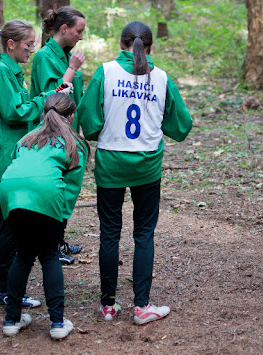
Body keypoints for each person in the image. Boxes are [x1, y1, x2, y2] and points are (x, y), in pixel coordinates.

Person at [78, 21, 193, 325]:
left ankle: (107, 305)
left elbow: (87, 117)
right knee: (143, 234)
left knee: (109, 233)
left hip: (111, 163)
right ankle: (141, 306)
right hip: (147, 165)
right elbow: (182, 125)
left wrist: (100, 132)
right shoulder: (162, 78)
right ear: (151, 47)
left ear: (121, 44)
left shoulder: (105, 72)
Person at [0, 19, 69, 308]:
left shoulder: (10, 71)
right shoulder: (2, 72)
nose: (31, 50)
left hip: (10, 156)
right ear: (11, 44)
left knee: (0, 223)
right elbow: (15, 112)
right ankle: (6, 289)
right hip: (6, 157)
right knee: (7, 229)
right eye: (28, 45)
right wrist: (46, 99)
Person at [0, 93, 89, 340]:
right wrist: (61, 219)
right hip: (46, 192)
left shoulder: (26, 138)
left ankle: (11, 320)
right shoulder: (73, 143)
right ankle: (57, 323)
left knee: (23, 255)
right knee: (49, 256)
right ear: (72, 115)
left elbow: (17, 168)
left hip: (11, 193)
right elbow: (71, 187)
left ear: (43, 113)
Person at [31, 6, 87, 264]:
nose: (81, 37)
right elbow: (51, 98)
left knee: (67, 188)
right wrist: (73, 69)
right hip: (52, 133)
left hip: (70, 132)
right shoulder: (44, 57)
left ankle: (58, 240)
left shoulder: (67, 56)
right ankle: (50, 245)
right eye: (78, 31)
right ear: (64, 29)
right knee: (54, 188)